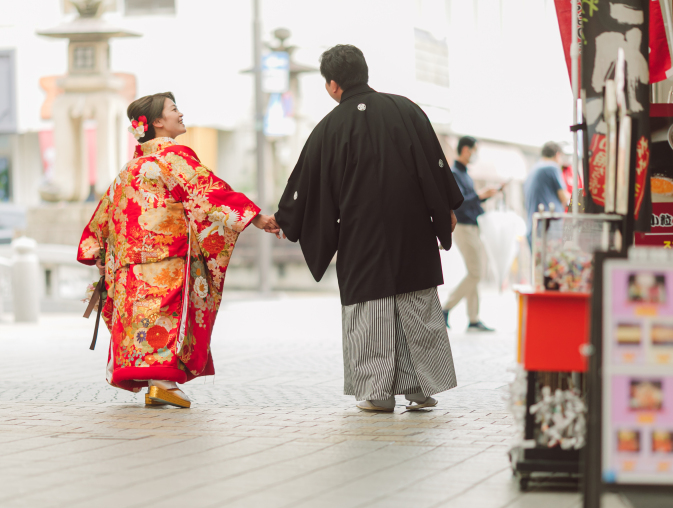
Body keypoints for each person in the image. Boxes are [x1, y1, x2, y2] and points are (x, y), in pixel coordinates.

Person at [263, 45, 464, 412]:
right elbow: (435, 164)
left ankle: (376, 393)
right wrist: (445, 208)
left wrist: (285, 217)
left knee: (368, 308)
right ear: (365, 73)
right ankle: (421, 388)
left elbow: (306, 182)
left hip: (359, 232)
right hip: (411, 229)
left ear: (333, 85)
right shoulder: (406, 109)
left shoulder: (328, 128)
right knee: (415, 301)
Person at [77, 92, 274, 408]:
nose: (180, 114)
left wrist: (99, 254)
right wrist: (257, 217)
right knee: (165, 318)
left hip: (131, 265)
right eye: (173, 109)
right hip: (167, 260)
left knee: (143, 320)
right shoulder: (173, 159)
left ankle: (157, 384)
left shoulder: (130, 169)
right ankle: (163, 383)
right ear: (157, 122)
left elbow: (105, 217)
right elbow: (208, 193)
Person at [441, 136, 498, 332]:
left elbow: (470, 202)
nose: (475, 155)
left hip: (472, 227)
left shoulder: (464, 173)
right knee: (476, 273)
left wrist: (484, 197)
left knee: (474, 272)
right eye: (474, 150)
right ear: (466, 150)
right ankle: (446, 308)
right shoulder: (455, 173)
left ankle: (473, 319)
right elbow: (460, 202)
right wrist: (480, 195)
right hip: (463, 227)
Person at [523, 141, 568, 245]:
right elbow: (565, 199)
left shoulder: (533, 170)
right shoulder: (551, 167)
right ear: (558, 155)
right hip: (548, 229)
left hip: (533, 227)